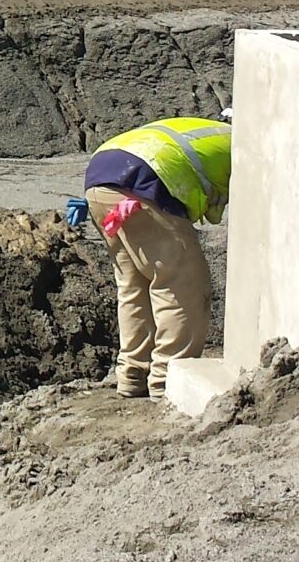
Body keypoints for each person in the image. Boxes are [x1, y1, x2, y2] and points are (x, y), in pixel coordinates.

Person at [82, 114, 232, 399]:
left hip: (101, 178)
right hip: (144, 182)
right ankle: (168, 381)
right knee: (182, 286)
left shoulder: (205, 132)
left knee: (133, 284)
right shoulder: (246, 147)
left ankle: (132, 374)